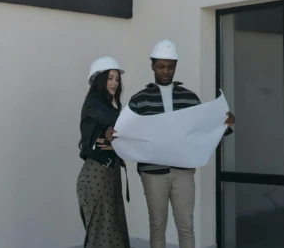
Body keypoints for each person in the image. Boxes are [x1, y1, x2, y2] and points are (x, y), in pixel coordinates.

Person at [125, 39, 236, 248]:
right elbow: (127, 133)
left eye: (170, 67)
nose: (166, 71)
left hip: (183, 172)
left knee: (186, 226)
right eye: (161, 67)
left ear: (175, 67)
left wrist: (224, 125)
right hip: (152, 173)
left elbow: (202, 130)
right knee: (157, 226)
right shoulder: (139, 100)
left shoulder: (189, 98)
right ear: (152, 66)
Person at [77, 56, 131, 248]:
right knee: (102, 237)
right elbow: (120, 122)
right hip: (97, 176)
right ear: (99, 79)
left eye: (117, 78)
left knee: (113, 234)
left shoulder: (109, 106)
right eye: (110, 78)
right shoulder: (93, 102)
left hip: (109, 175)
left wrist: (116, 141)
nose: (115, 82)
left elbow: (122, 129)